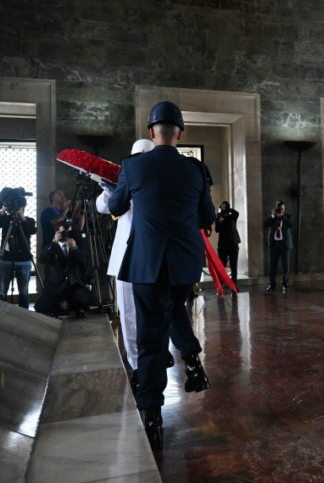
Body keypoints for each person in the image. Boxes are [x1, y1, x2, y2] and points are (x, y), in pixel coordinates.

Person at [109, 101, 215, 451]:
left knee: (150, 340)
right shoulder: (196, 170)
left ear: (152, 132)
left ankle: (152, 413)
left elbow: (115, 207)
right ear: (180, 134)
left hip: (146, 265)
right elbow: (206, 217)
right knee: (173, 309)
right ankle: (192, 360)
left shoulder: (133, 167)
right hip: (184, 265)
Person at [97, 138, 177, 392]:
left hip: (154, 258)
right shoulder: (125, 177)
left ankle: (157, 355)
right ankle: (137, 366)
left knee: (158, 312)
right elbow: (102, 206)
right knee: (130, 316)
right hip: (126, 258)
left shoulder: (162, 181)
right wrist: (110, 189)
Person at [35, 224, 95, 318]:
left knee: (85, 299)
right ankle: (64, 307)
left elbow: (84, 264)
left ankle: (68, 306)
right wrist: (54, 242)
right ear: (56, 233)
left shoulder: (76, 245)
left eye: (68, 232)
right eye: (62, 232)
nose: (66, 234)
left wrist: (75, 248)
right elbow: (42, 259)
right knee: (40, 306)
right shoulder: (51, 246)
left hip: (74, 285)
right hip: (56, 285)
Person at [0, 204, 36, 309]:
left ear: (23, 209)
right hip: (5, 259)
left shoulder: (29, 220)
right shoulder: (6, 219)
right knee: (2, 292)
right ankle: (0, 314)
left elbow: (31, 230)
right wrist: (3, 210)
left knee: (24, 291)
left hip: (24, 260)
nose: (16, 210)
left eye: (19, 208)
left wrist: (22, 217)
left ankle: (23, 314)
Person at [264, 201, 293, 294]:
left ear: (284, 209)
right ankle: (272, 285)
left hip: (285, 244)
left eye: (283, 209)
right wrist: (273, 215)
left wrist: (282, 216)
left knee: (286, 266)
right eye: (279, 209)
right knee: (272, 266)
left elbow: (291, 224)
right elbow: (265, 224)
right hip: (274, 244)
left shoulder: (287, 216)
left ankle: (285, 284)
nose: (281, 210)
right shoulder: (272, 217)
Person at [214, 201, 240, 282]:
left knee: (234, 266)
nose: (224, 208)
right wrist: (220, 220)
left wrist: (229, 210)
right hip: (223, 245)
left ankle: (234, 285)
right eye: (223, 206)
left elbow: (236, 213)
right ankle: (221, 285)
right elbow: (217, 229)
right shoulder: (219, 216)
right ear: (221, 207)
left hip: (233, 244)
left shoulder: (232, 216)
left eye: (226, 206)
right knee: (221, 266)